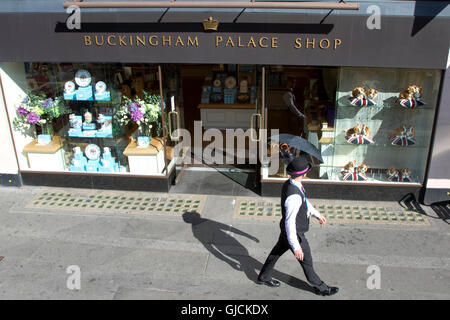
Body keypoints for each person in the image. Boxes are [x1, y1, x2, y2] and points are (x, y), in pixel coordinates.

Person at [257, 155, 339, 296]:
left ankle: (263, 277)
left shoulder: (291, 184)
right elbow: (290, 222)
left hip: (287, 231)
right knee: (306, 261)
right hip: (295, 232)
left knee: (276, 252)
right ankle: (321, 288)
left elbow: (305, 201)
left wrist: (316, 213)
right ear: (304, 173)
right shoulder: (293, 196)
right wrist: (296, 247)